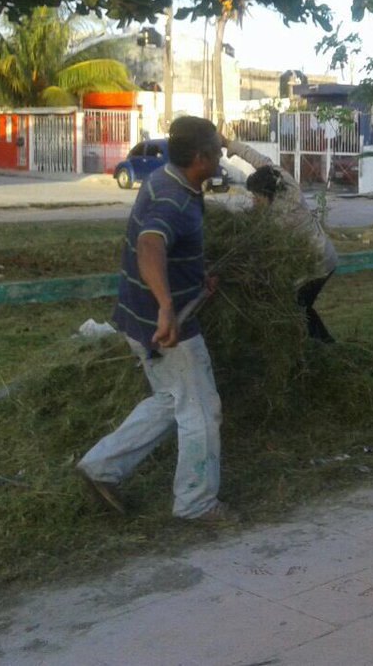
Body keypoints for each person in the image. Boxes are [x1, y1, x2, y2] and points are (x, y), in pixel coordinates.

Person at [77, 116, 234, 523]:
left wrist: (196, 278)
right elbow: (150, 246)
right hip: (167, 327)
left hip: (139, 315)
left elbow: (170, 246)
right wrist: (167, 306)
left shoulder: (170, 179)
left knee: (170, 400)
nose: (222, 157)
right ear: (200, 157)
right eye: (217, 151)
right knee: (201, 409)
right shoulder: (173, 200)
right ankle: (196, 505)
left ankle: (101, 466)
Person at [224, 135, 339, 342]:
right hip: (326, 256)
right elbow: (260, 160)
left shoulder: (278, 219)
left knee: (295, 308)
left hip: (315, 267)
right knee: (301, 307)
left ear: (266, 194)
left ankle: (323, 346)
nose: (253, 200)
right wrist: (230, 145)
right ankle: (322, 344)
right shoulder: (285, 181)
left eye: (256, 196)